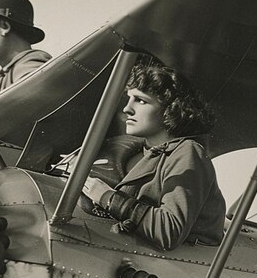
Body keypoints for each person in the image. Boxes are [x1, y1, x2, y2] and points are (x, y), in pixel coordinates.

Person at [83, 60, 226, 251]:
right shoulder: (136, 150)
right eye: (129, 98)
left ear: (170, 109)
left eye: (141, 100)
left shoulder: (186, 152)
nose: (127, 108)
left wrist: (108, 198)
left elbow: (170, 231)